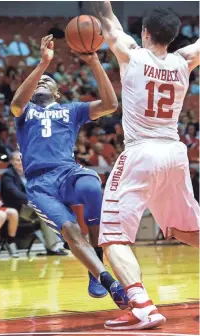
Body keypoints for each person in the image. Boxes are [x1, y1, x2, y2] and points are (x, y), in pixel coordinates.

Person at [93, 1, 200, 330]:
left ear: (144, 32)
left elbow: (107, 20)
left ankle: (141, 306)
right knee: (187, 231)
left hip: (141, 152)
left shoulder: (132, 54)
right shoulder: (184, 60)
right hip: (174, 152)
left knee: (112, 237)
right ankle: (140, 304)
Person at [10, 34, 129, 307]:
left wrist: (95, 61)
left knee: (90, 184)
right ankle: (106, 280)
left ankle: (96, 258)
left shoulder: (70, 110)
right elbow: (16, 103)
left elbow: (111, 104)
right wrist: (42, 64)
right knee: (70, 231)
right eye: (39, 80)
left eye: (48, 81)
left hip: (67, 172)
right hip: (40, 184)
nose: (42, 81)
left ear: (57, 93)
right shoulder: (25, 111)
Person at [0, 151, 68, 256]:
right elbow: (14, 193)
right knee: (44, 214)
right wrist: (31, 200)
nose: (21, 162)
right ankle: (52, 247)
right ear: (12, 162)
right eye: (18, 160)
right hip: (17, 209)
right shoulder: (8, 175)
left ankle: (56, 244)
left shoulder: (29, 174)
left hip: (31, 209)